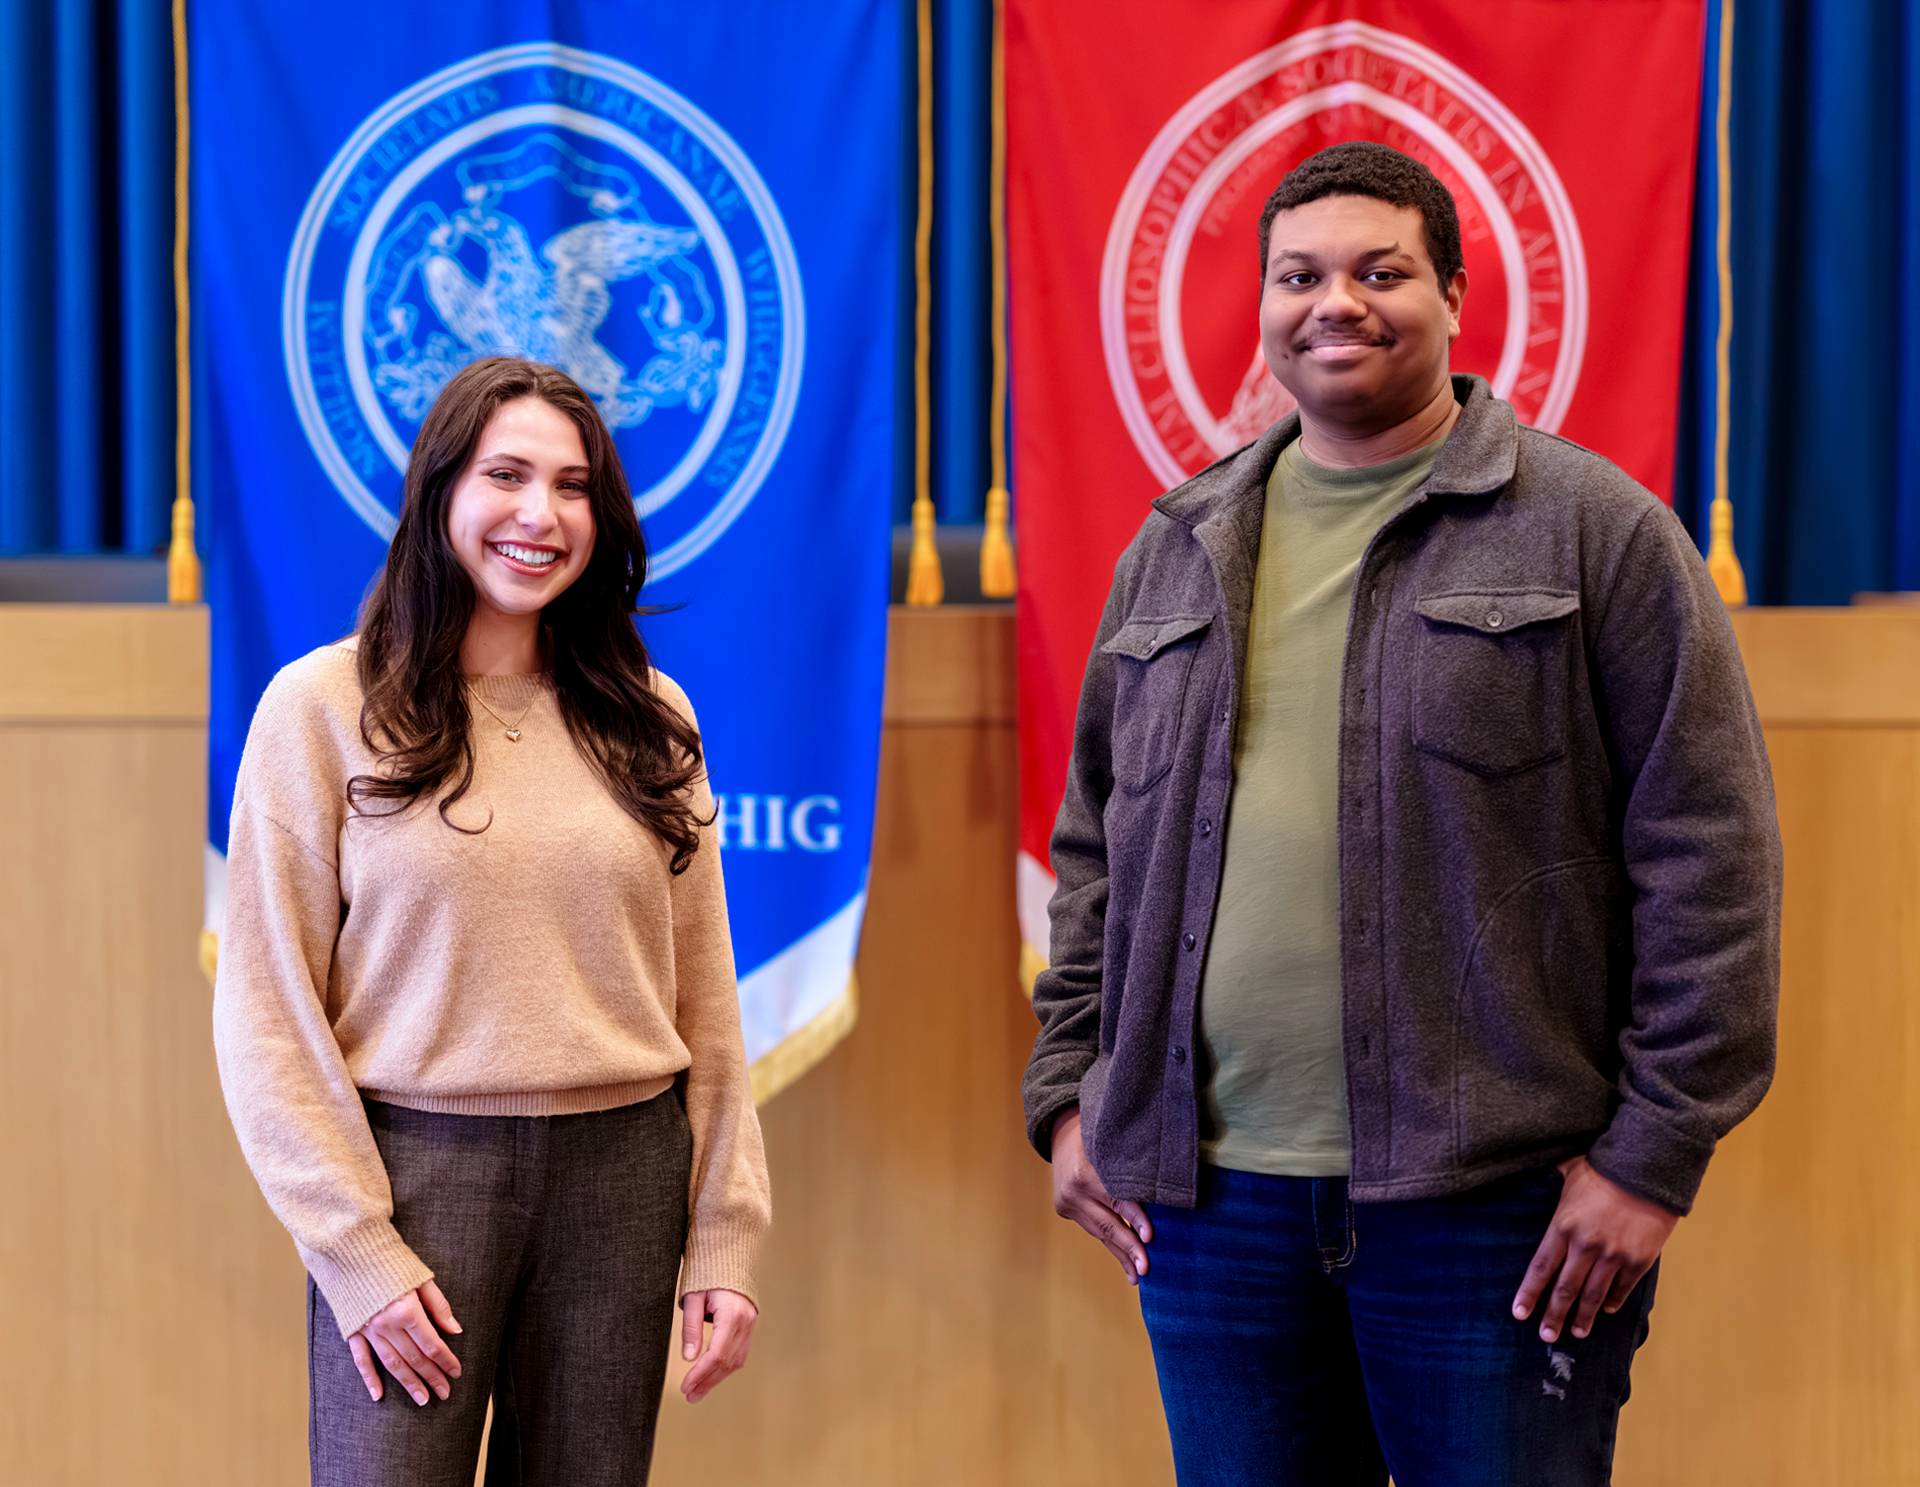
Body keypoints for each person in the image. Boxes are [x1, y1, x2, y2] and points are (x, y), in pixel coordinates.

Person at [1022, 142, 1781, 1486]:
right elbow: (1094, 849)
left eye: (1381, 273)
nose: (1337, 303)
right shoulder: (1176, 545)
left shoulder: (1594, 530)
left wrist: (1652, 1155)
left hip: (1494, 1209)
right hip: (1210, 1204)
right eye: (1299, 276)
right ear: (1263, 303)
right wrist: (1071, 1096)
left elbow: (1710, 855)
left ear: (1455, 294)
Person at [213, 356, 769, 1484]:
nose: (540, 514)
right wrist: (355, 1247)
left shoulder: (652, 718)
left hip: (623, 1180)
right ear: (441, 493)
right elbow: (266, 1010)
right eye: (506, 475)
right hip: (413, 1180)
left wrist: (724, 1231)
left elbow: (707, 998)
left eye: (573, 486)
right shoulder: (320, 709)